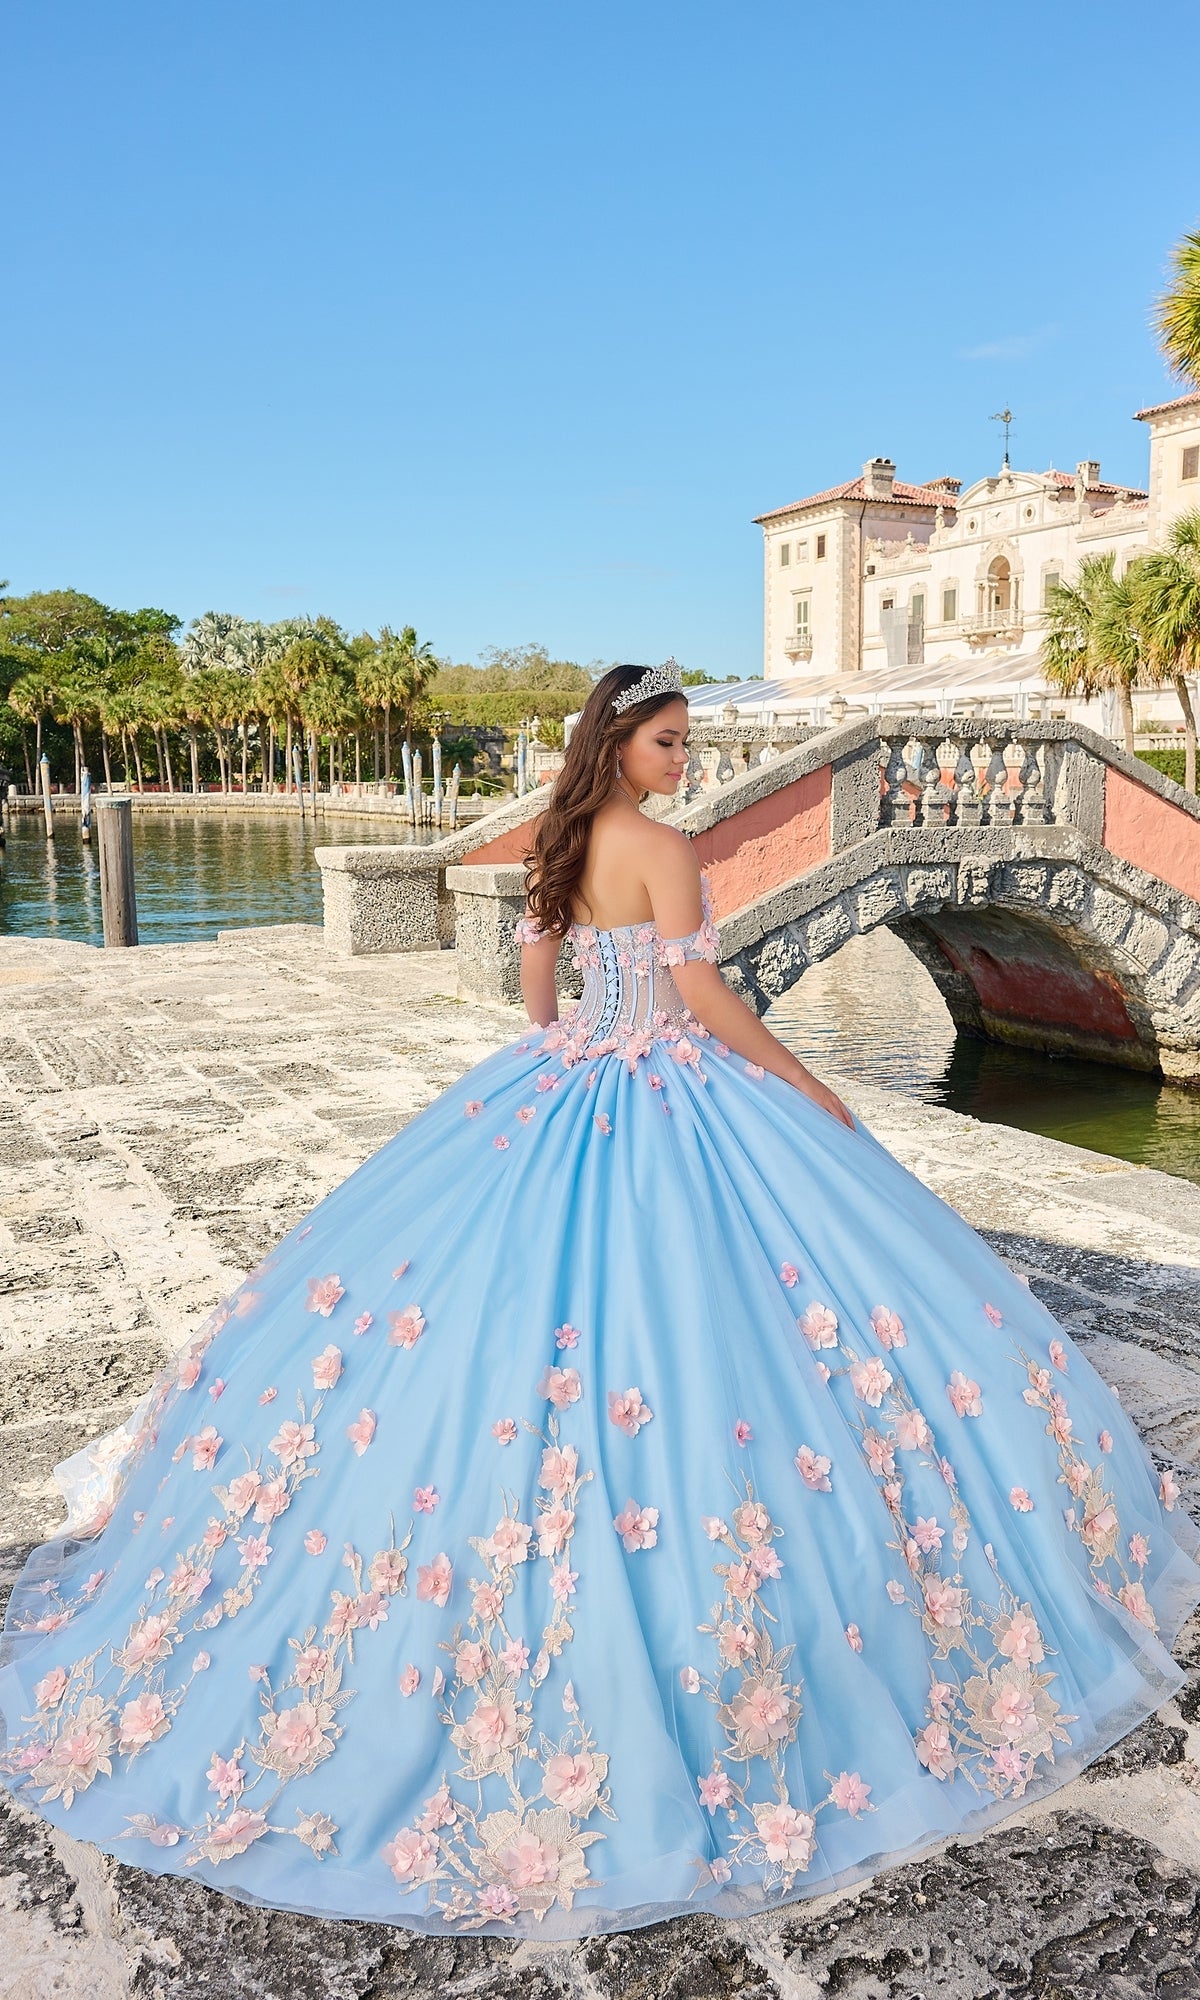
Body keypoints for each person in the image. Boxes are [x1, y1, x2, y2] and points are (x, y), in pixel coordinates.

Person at [1, 660, 1197, 1942]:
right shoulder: (668, 851)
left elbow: (537, 976)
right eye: (672, 741)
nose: (687, 760)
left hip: (565, 1076)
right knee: (737, 1320)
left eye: (687, 743)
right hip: (677, 1084)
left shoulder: (559, 840)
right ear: (624, 744)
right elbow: (700, 994)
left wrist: (560, 1038)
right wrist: (810, 1085)